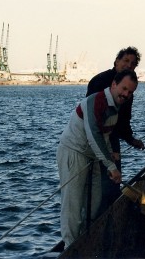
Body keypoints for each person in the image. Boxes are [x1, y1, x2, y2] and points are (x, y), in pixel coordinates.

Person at [57, 70, 139, 247]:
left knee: (95, 203)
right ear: (113, 85)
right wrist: (111, 166)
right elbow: (94, 135)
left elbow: (105, 136)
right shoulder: (96, 101)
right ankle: (71, 247)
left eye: (130, 92)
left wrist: (110, 154)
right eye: (124, 88)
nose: (126, 94)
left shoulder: (115, 107)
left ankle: (85, 239)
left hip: (91, 156)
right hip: (73, 152)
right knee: (73, 205)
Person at [86, 46, 145, 213]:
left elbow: (124, 119)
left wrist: (130, 139)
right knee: (94, 184)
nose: (128, 65)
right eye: (125, 61)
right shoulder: (99, 81)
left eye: (133, 63)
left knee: (112, 182)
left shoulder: (129, 89)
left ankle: (109, 213)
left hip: (113, 137)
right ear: (117, 61)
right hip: (94, 136)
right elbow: (91, 118)